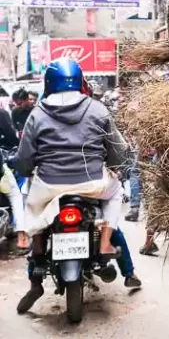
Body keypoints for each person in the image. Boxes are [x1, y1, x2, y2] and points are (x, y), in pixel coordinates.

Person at [13, 58, 126, 302]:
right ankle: (105, 243)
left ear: (49, 82)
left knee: (28, 198)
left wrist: (25, 169)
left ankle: (38, 247)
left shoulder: (37, 112)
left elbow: (24, 160)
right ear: (79, 79)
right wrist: (116, 168)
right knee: (116, 193)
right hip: (92, 183)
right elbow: (118, 148)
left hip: (48, 185)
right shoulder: (98, 108)